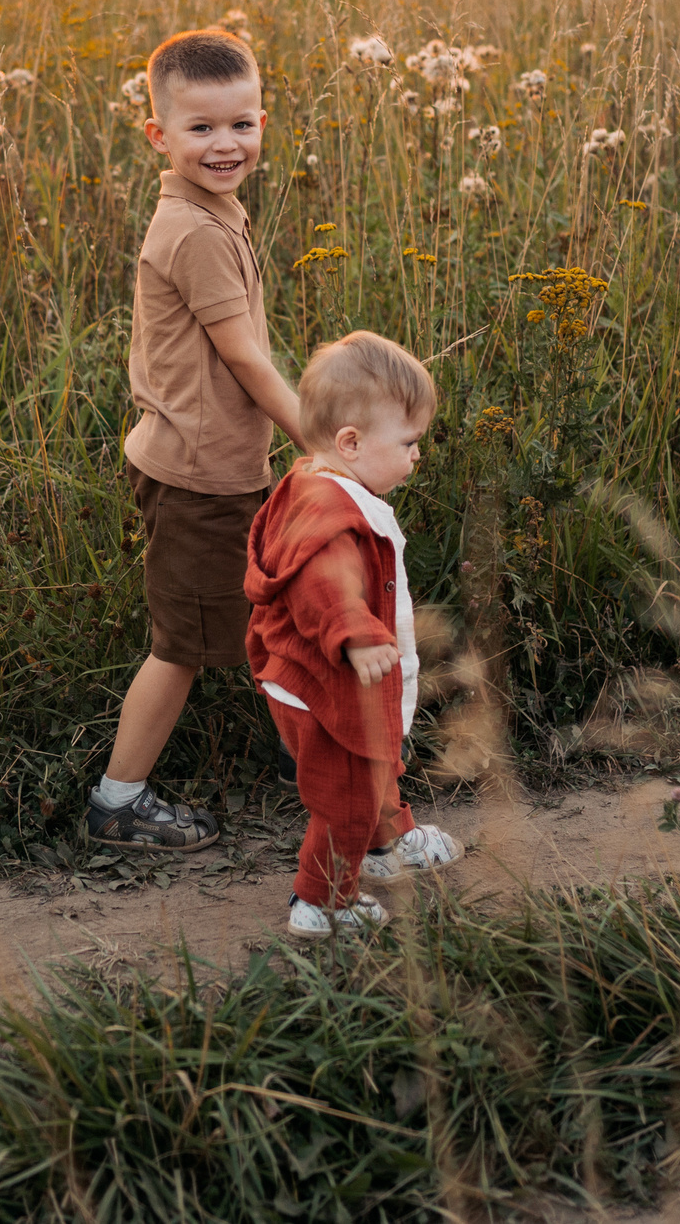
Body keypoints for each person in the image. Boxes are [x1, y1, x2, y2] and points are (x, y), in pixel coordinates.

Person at [84, 28, 305, 852]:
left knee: (272, 613)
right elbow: (245, 357)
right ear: (159, 136)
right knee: (181, 646)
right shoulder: (200, 231)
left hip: (206, 463)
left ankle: (306, 750)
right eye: (202, 128)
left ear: (262, 121)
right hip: (198, 479)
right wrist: (318, 440)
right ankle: (119, 800)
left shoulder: (210, 208)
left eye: (242, 124)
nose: (226, 144)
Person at [243, 331, 463, 936]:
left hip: (324, 678)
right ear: (351, 443)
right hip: (329, 682)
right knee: (344, 797)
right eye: (410, 442)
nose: (417, 455)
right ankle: (322, 902)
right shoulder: (329, 513)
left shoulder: (322, 482)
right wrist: (355, 633)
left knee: (374, 764)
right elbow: (323, 584)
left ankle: (388, 841)